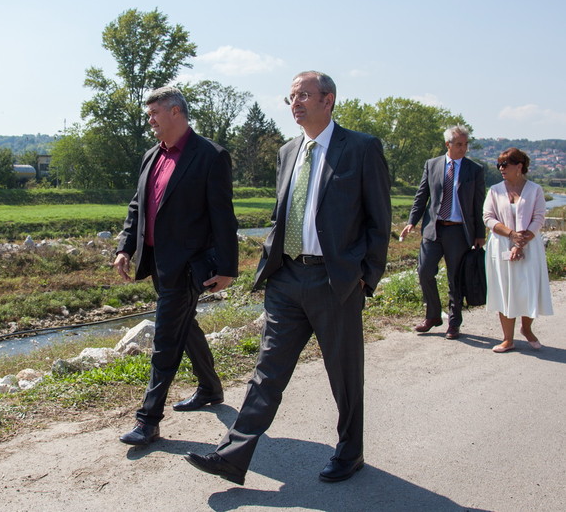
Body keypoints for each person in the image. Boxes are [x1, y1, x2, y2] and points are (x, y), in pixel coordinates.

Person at [184, 71, 391, 485]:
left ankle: (350, 452)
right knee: (267, 371)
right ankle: (232, 456)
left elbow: (378, 221)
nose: (295, 103)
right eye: (290, 97)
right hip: (287, 278)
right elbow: (283, 215)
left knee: (344, 375)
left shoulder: (362, 149)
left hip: (335, 282)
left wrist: (364, 278)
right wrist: (270, 264)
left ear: (328, 100)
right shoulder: (287, 151)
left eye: (303, 95)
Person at [113, 86, 239, 446]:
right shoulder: (152, 155)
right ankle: (210, 388)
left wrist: (227, 267)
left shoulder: (211, 156)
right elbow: (137, 206)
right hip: (156, 262)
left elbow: (223, 216)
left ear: (175, 113)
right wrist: (125, 248)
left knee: (166, 338)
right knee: (184, 325)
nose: (150, 120)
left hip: (188, 264)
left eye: (154, 113)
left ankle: (148, 420)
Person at [400, 125, 485, 339]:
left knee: (455, 278)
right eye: (459, 144)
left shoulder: (474, 170)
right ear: (448, 144)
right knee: (424, 271)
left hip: (459, 231)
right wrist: (412, 221)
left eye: (466, 144)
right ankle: (433, 315)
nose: (463, 148)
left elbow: (478, 205)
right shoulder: (432, 165)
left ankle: (454, 323)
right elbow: (422, 196)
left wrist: (479, 233)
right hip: (433, 229)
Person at [482, 148, 553, 353]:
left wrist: (520, 242)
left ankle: (527, 329)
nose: (501, 169)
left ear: (519, 166)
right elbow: (488, 217)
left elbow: (539, 218)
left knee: (528, 287)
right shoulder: (495, 190)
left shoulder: (535, 190)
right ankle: (507, 339)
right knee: (504, 289)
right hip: (501, 244)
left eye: (505, 165)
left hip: (529, 246)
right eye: (499, 165)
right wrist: (511, 234)